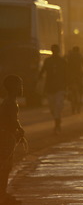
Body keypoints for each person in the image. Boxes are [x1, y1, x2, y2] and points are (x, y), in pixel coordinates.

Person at [0, 75, 25, 205]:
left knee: (6, 166)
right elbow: (13, 120)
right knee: (4, 166)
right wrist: (20, 129)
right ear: (14, 88)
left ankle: (3, 193)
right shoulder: (10, 102)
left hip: (7, 135)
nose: (21, 88)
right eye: (19, 85)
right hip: (6, 136)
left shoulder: (9, 101)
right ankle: (2, 195)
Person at [39, 44, 68, 134]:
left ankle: (57, 123)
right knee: (52, 108)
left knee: (58, 106)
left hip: (60, 88)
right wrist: (39, 80)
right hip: (50, 88)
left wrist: (67, 86)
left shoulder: (63, 61)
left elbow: (67, 74)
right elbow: (42, 71)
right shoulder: (48, 61)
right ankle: (57, 119)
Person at [67, 46, 83, 114]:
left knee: (69, 87)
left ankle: (70, 96)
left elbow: (67, 65)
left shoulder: (70, 56)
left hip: (71, 75)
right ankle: (80, 99)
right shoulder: (80, 56)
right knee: (81, 88)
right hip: (79, 74)